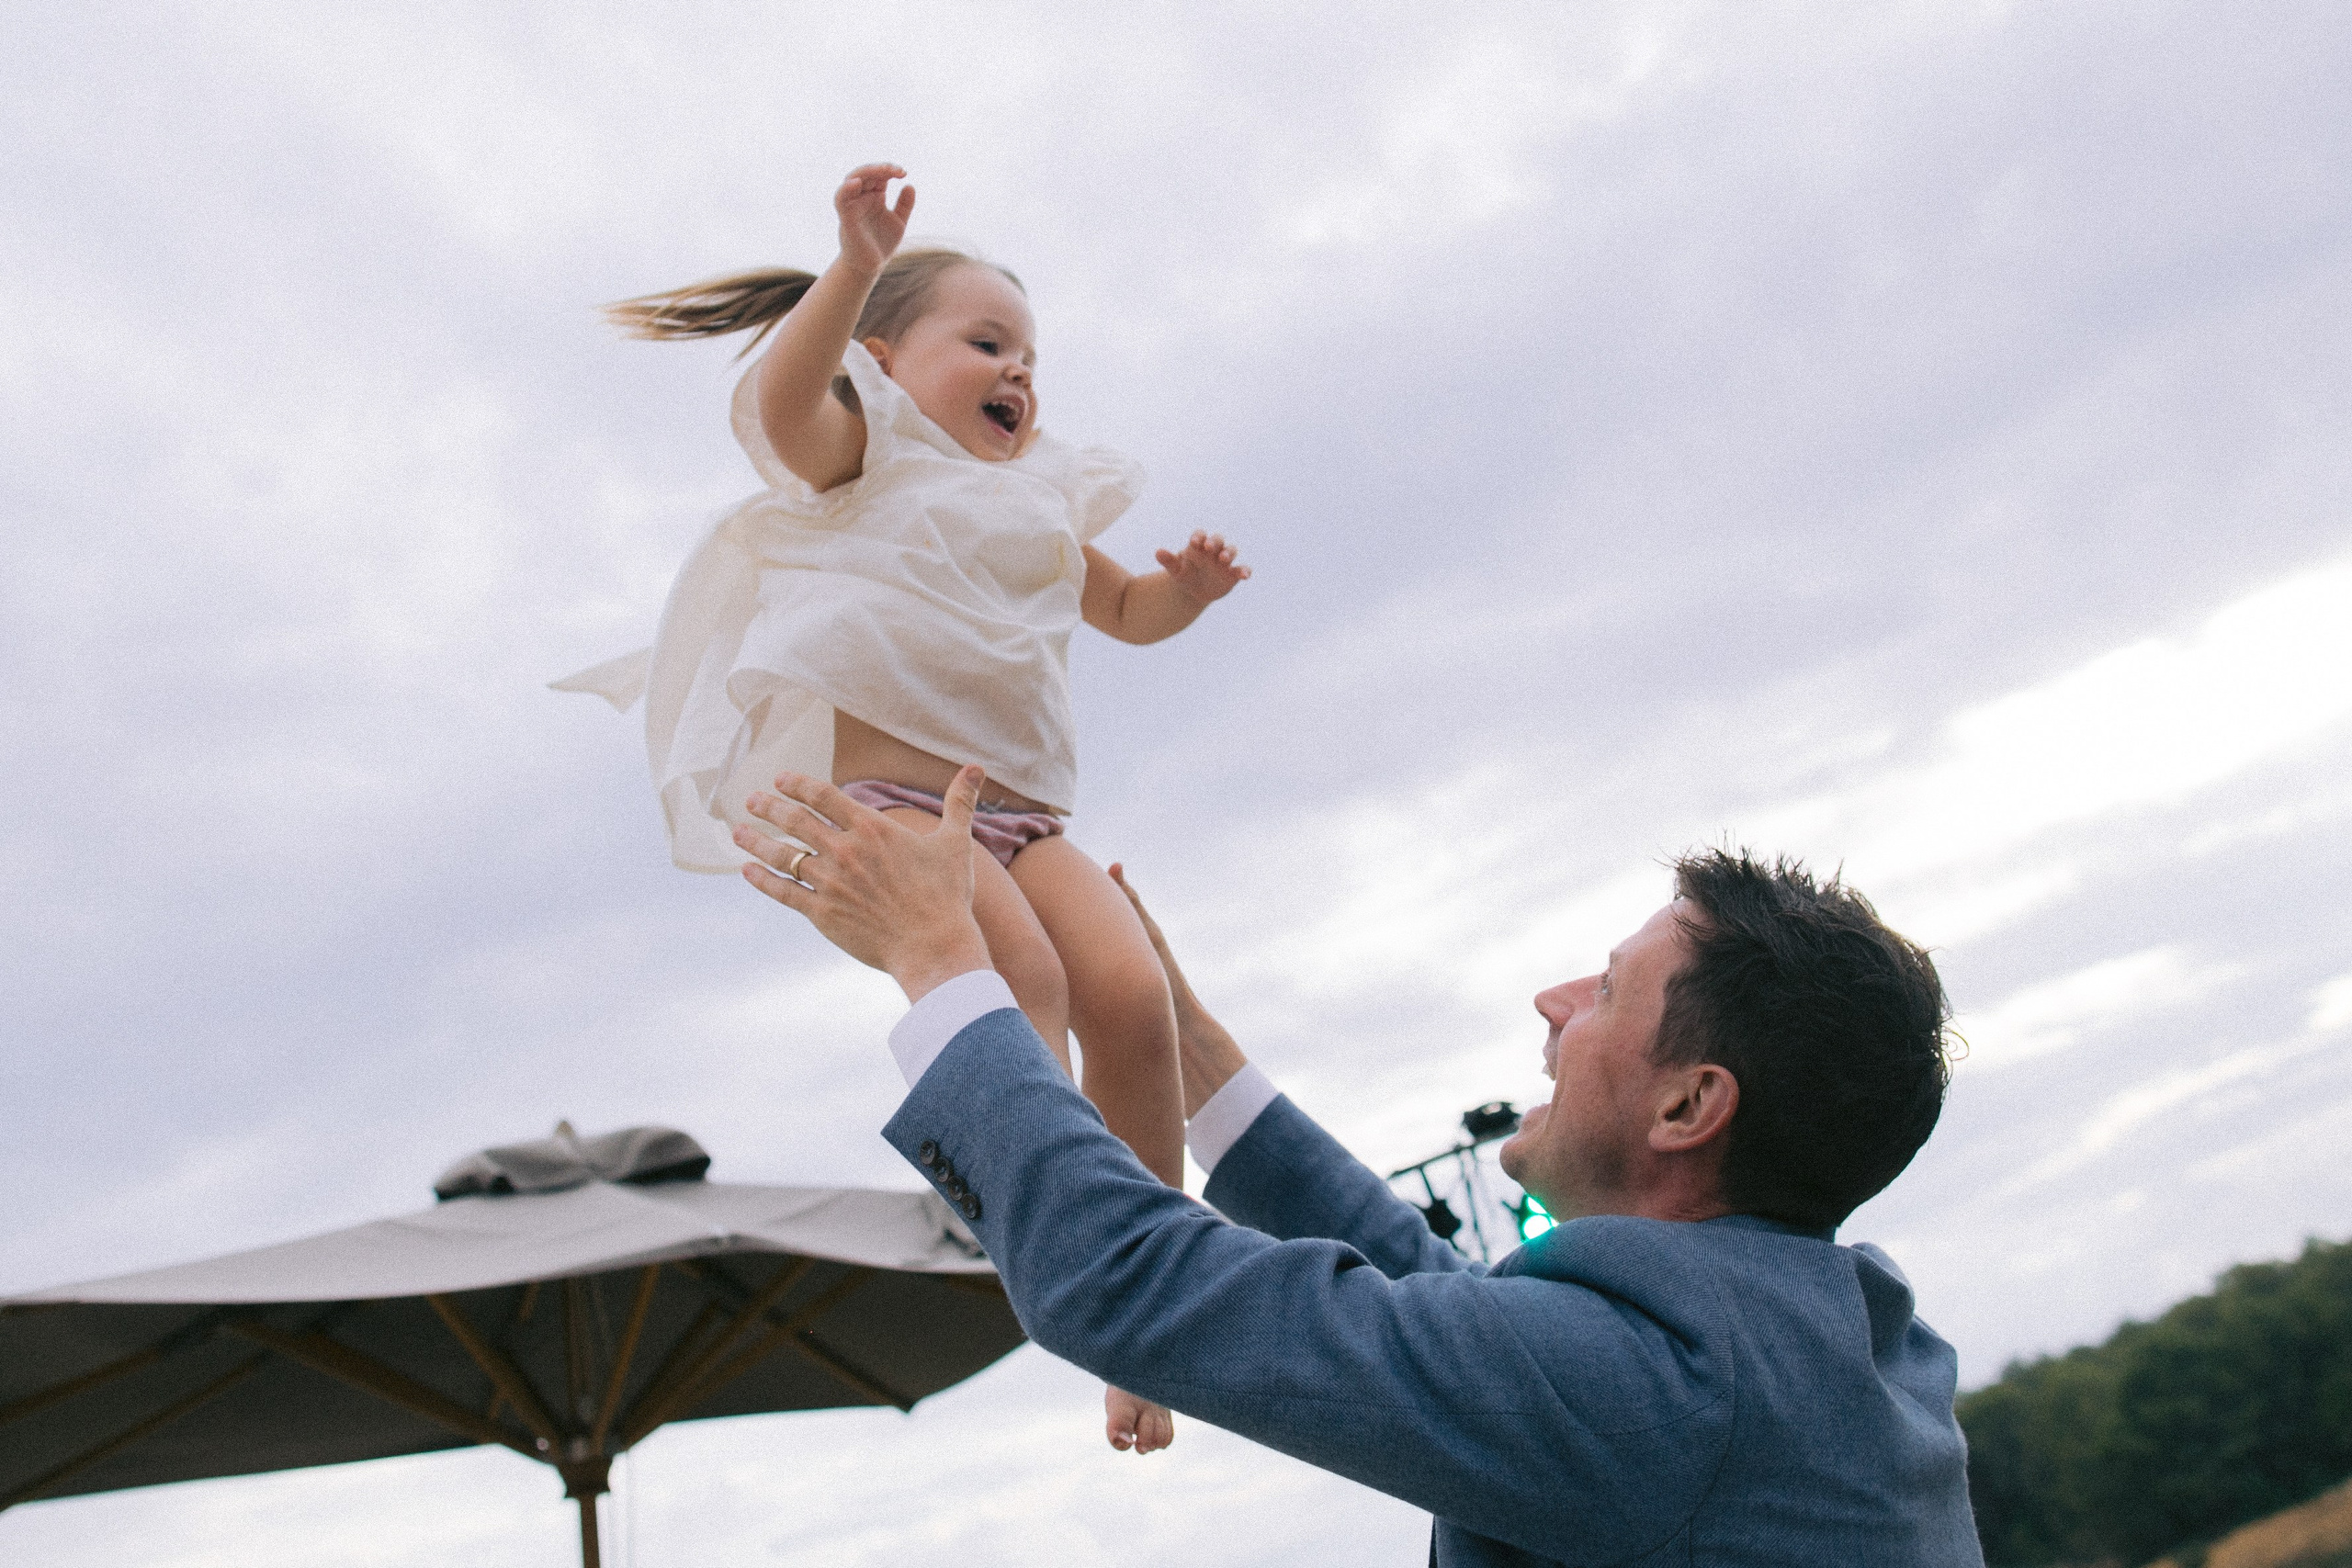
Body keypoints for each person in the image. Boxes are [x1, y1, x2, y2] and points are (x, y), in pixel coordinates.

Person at [732, 765, 1986, 1565]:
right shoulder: (1814, 1341)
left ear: (1691, 1104)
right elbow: (1441, 1301)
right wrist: (1185, 1043)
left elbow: (1127, 1280)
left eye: (1606, 992)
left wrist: (939, 966)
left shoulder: (1663, 1397)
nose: (1551, 1003)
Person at [560, 164, 1250, 1452]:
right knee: (1028, 980)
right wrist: (852, 264)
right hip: (901, 813)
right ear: (881, 359)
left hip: (1023, 819)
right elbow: (776, 403)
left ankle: (1149, 1298)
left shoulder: (1039, 498)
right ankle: (1079, 1266)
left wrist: (1186, 595)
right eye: (987, 343)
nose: (1020, 374)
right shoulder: (863, 455)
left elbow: (1127, 615)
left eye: (1032, 357)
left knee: (1133, 996)